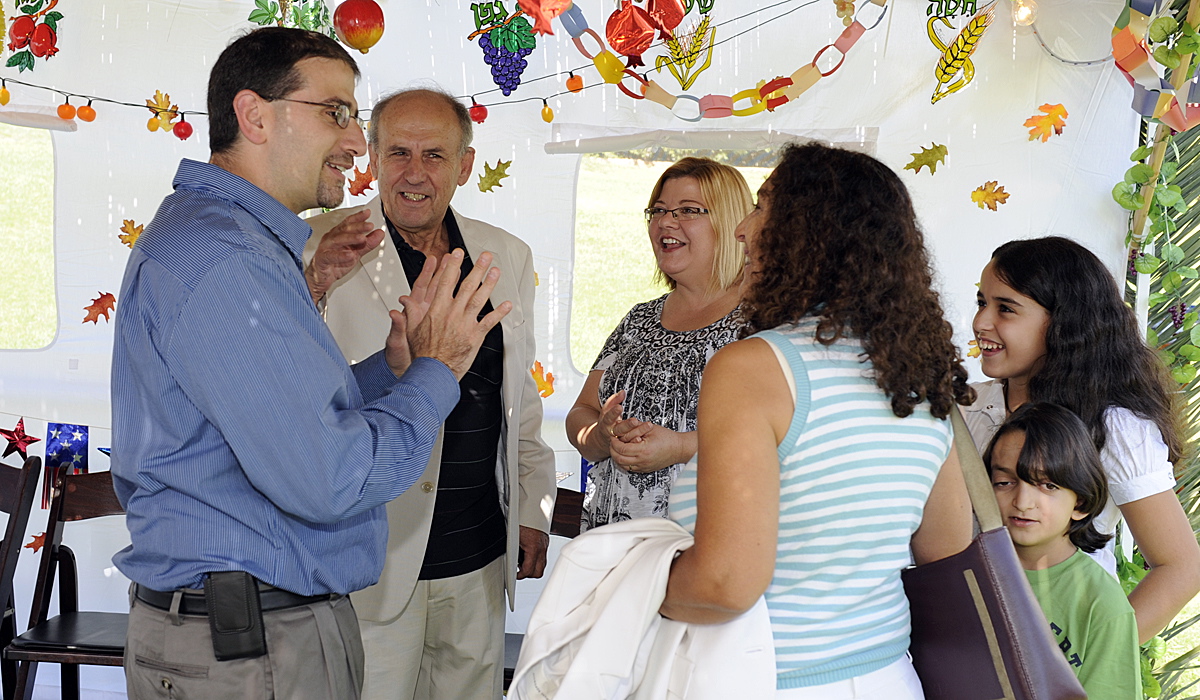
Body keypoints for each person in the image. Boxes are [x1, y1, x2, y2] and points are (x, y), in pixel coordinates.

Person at [110, 29, 509, 699]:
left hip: (250, 637)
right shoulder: (228, 261)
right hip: (250, 647)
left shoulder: (228, 241)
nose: (357, 144)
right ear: (255, 115)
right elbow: (330, 476)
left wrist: (394, 368)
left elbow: (280, 421)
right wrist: (437, 374)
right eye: (336, 113)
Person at [661, 142, 973, 698]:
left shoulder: (755, 368)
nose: (742, 231)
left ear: (807, 234)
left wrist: (621, 583)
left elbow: (727, 582)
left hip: (762, 679)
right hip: (888, 678)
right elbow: (946, 551)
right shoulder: (914, 369)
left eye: (761, 209)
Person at [303, 87, 557, 700]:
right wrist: (312, 283)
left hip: (478, 553)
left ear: (465, 165)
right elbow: (284, 388)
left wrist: (530, 506)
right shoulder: (316, 244)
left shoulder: (506, 256)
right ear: (370, 155)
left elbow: (516, 395)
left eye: (435, 156)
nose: (414, 174)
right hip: (369, 555)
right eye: (398, 153)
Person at [965, 235, 1200, 642]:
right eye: (982, 302)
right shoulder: (962, 407)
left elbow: (1181, 567)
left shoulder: (1116, 426)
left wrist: (1086, 663)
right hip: (963, 645)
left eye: (1005, 308)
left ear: (1063, 322)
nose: (982, 322)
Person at [565, 157, 751, 532]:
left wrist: (679, 447)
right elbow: (580, 415)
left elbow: (779, 438)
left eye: (688, 210)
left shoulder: (760, 323)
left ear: (731, 223)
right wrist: (602, 434)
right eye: (659, 210)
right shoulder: (639, 319)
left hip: (706, 555)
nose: (666, 222)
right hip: (612, 550)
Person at [983, 402, 1141, 699]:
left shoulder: (1101, 602)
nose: (1023, 501)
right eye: (1004, 482)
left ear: (1080, 501)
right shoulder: (965, 572)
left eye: (1048, 485)